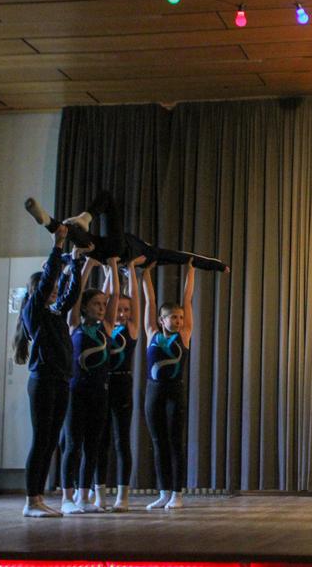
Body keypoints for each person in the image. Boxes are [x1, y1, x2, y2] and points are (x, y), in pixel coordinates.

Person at [16, 226, 86, 517]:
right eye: (50, 287)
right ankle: (31, 501)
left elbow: (71, 294)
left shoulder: (55, 312)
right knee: (41, 440)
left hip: (60, 380)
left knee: (51, 441)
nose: (55, 289)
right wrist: (57, 246)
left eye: (57, 286)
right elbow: (47, 281)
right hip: (43, 381)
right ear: (37, 292)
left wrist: (76, 263)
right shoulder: (33, 312)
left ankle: (38, 497)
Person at [25, 192, 229, 272]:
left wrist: (218, 265)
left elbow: (184, 257)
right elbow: (184, 257)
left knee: (108, 198)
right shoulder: (150, 255)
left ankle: (81, 219)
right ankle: (49, 222)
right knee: (75, 237)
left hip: (117, 251)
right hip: (103, 250)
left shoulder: (153, 254)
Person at [59, 257, 119, 515]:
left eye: (103, 304)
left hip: (99, 393)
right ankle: (67, 497)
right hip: (76, 392)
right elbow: (76, 292)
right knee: (73, 444)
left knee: (92, 446)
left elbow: (115, 296)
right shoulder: (74, 324)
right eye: (96, 304)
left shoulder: (107, 327)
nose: (102, 308)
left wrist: (113, 265)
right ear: (84, 307)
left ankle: (84, 496)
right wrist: (88, 266)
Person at [141, 260, 195, 510]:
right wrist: (146, 274)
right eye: (173, 317)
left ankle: (177, 493)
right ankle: (163, 492)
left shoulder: (184, 335)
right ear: (162, 320)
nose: (179, 320)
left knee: (175, 442)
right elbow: (150, 301)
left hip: (175, 391)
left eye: (181, 317)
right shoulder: (151, 333)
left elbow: (188, 299)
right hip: (154, 391)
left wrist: (191, 271)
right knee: (158, 441)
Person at [94, 257, 145, 512]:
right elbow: (106, 296)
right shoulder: (103, 327)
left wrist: (131, 271)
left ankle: (122, 497)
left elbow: (135, 299)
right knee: (100, 441)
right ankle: (99, 496)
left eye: (126, 310)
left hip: (122, 384)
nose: (123, 313)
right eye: (119, 309)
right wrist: (110, 271)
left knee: (122, 440)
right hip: (103, 385)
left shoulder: (132, 329)